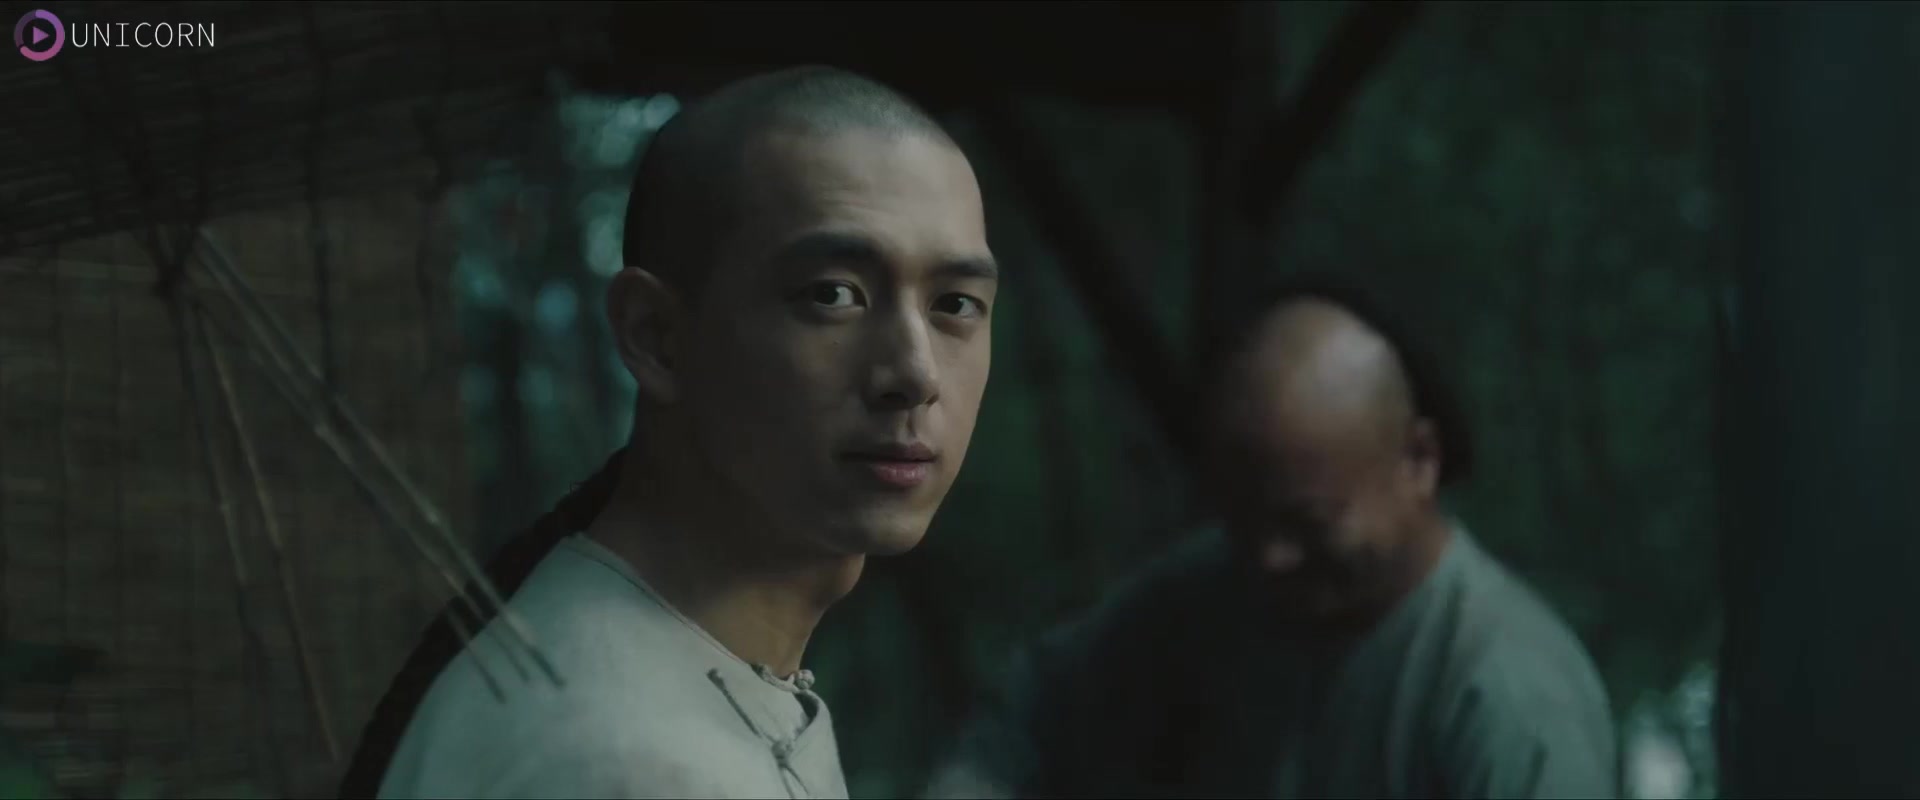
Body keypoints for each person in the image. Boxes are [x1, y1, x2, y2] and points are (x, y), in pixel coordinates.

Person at [338, 65, 1000, 799]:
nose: (915, 373)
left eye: (955, 304)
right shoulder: (627, 764)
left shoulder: (702, 674)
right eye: (833, 294)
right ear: (654, 336)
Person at [928, 277, 1617, 799]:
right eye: (1242, 520)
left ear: (1419, 460)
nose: (1270, 557)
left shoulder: (1513, 707)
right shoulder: (1210, 593)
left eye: (1309, 522)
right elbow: (1031, 712)